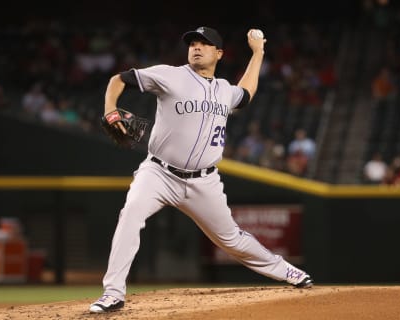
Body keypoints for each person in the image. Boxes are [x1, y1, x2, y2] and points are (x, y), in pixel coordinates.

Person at [89, 26, 313, 314]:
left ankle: (286, 271)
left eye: (204, 44)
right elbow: (119, 79)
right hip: (159, 173)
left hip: (204, 181)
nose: (196, 47)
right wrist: (110, 108)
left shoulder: (223, 90)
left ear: (218, 53)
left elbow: (245, 93)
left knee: (230, 239)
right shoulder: (171, 75)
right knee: (130, 214)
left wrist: (258, 53)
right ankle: (113, 293)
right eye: (193, 43)